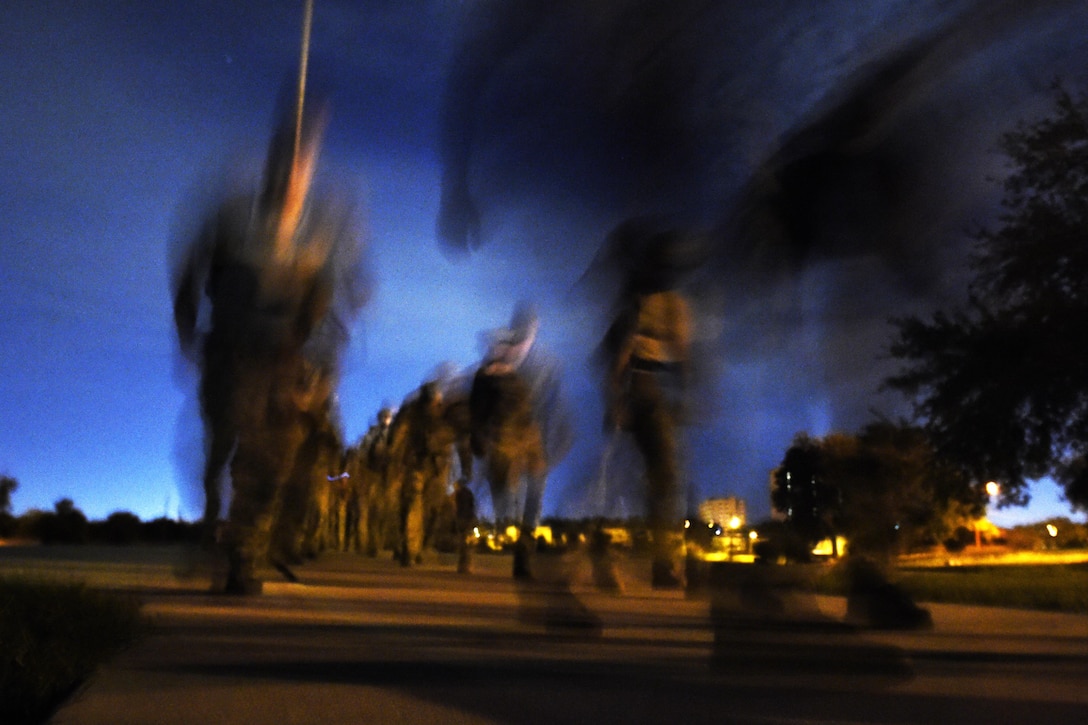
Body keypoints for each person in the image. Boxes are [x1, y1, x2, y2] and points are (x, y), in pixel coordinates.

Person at [172, 106, 367, 594]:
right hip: (230, 353)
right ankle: (213, 525)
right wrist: (187, 331)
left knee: (269, 459)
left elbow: (337, 303)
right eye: (285, 161)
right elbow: (190, 274)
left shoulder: (323, 230)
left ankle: (242, 555)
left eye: (304, 163)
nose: (293, 175)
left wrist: (324, 364)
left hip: (282, 359)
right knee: (222, 446)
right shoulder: (234, 217)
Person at [601, 221, 695, 589]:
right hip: (640, 390)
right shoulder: (640, 302)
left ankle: (657, 561)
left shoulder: (673, 303)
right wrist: (616, 403)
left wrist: (685, 395)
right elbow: (621, 359)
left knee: (662, 479)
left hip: (656, 392)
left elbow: (682, 353)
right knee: (661, 476)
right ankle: (655, 563)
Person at [471, 302, 572, 579]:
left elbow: (555, 406)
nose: (528, 333)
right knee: (508, 495)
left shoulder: (546, 364)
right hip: (504, 434)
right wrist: (479, 436)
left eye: (532, 328)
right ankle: (510, 534)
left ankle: (523, 553)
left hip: (531, 435)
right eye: (524, 328)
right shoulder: (494, 362)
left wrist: (556, 442)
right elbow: (478, 405)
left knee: (536, 492)